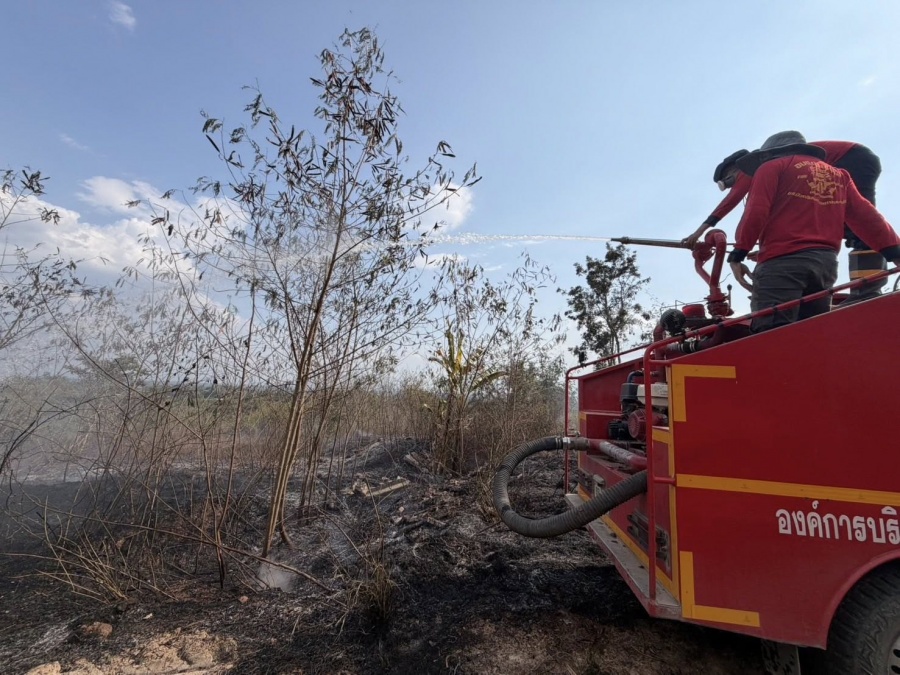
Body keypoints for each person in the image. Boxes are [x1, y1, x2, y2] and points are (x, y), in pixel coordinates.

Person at [724, 131, 900, 333]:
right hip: (824, 266)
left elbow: (756, 212)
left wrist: (738, 253)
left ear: (769, 154)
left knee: (772, 334)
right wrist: (895, 253)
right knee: (813, 333)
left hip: (782, 264)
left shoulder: (771, 167)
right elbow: (867, 218)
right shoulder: (839, 175)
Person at [684, 139, 887, 299]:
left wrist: (699, 233)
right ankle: (867, 287)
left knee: (860, 228)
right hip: (858, 159)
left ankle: (867, 291)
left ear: (732, 170)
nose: (731, 187)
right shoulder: (787, 172)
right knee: (837, 222)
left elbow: (731, 203)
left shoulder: (754, 168)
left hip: (853, 158)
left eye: (727, 182)